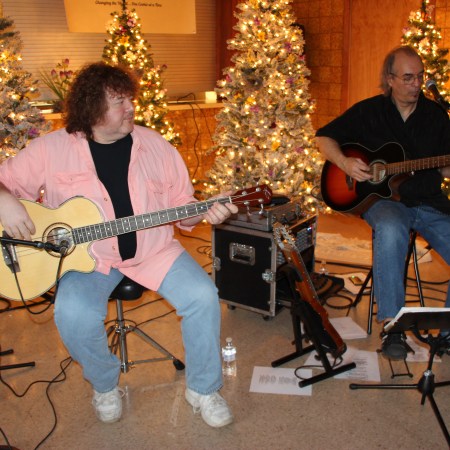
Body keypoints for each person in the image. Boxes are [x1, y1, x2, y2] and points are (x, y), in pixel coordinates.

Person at [0, 62, 238, 426]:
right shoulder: (50, 149)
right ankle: (105, 384)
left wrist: (206, 212)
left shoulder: (155, 146)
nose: (131, 108)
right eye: (119, 102)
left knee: (203, 297)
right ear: (92, 109)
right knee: (72, 314)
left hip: (153, 250)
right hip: (89, 259)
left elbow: (183, 207)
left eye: (130, 99)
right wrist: (5, 200)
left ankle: (203, 389)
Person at [315, 45, 450, 360]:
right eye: (408, 78)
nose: (416, 84)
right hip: (386, 203)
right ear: (390, 79)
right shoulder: (369, 111)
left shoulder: (436, 115)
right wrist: (345, 163)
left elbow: (445, 168)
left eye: (420, 77)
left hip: (429, 200)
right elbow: (323, 137)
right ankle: (393, 328)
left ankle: (446, 333)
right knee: (390, 228)